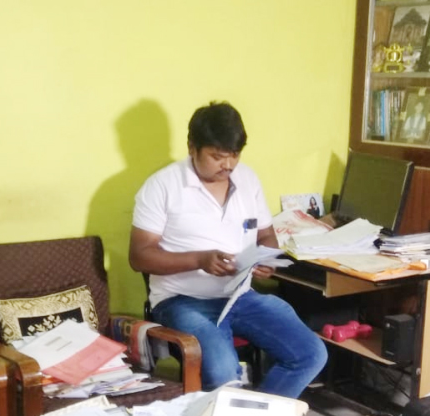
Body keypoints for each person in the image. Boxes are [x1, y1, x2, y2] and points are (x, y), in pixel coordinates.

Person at [129, 101, 327, 398]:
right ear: (192, 147)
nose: (228, 165)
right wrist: (199, 260)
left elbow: (266, 234)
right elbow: (139, 256)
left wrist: (266, 258)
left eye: (234, 155)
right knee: (223, 373)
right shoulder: (162, 186)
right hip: (182, 301)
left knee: (310, 353)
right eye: (217, 156)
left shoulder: (247, 179)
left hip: (240, 295)